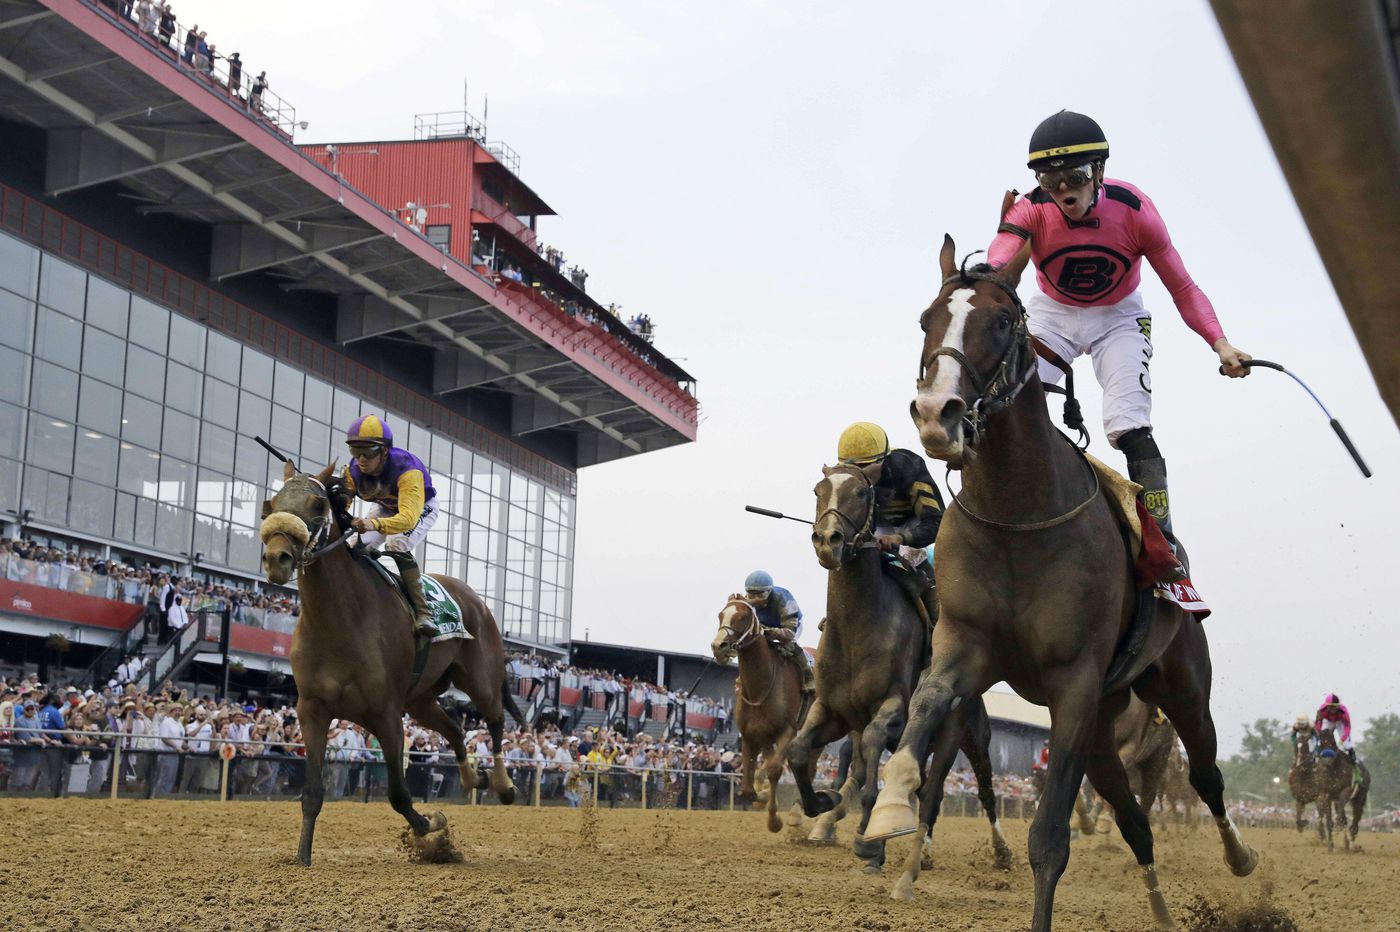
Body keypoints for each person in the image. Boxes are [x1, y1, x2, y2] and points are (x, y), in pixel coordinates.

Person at [988, 111, 1252, 583]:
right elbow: (999, 258)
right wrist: (992, 266)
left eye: (1076, 176)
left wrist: (1221, 342)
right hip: (1053, 315)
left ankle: (1163, 544)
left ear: (1100, 173)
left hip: (1120, 317)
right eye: (1051, 180)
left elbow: (1183, 287)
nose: (1064, 191)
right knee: (1007, 407)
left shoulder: (1135, 209)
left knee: (1129, 426)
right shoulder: (1030, 207)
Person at [341, 414, 454, 639]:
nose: (361, 459)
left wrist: (372, 523)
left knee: (397, 543)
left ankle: (424, 612)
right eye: (355, 451)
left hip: (420, 507)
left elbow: (408, 519)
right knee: (356, 546)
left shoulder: (406, 469)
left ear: (384, 451)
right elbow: (343, 502)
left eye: (368, 452)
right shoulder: (352, 471)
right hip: (386, 507)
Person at [835, 421, 943, 622]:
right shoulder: (844, 480)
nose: (860, 474)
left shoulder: (909, 467)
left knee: (912, 559)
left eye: (865, 467)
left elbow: (936, 522)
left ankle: (936, 617)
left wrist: (899, 538)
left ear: (883, 460)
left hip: (910, 523)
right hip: (875, 526)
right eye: (851, 468)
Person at [741, 570, 813, 694]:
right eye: (751, 596)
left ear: (769, 592)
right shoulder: (746, 601)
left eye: (760, 595)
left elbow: (789, 633)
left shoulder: (784, 598)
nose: (756, 600)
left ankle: (808, 675)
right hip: (765, 625)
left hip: (791, 625)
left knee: (789, 644)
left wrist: (768, 631)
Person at [1314, 694, 1355, 764]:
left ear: (1338, 705)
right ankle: (1316, 757)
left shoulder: (1344, 712)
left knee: (1346, 744)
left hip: (1340, 721)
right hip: (1328, 721)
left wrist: (1342, 739)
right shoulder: (1321, 710)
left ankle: (1353, 757)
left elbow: (1347, 727)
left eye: (1335, 706)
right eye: (1330, 707)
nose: (1332, 709)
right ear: (1326, 706)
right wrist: (1320, 734)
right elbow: (1317, 724)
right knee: (1321, 740)